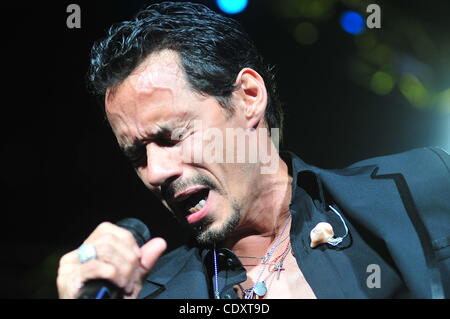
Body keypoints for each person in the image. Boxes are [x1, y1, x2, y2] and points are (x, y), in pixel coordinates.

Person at [56, 1, 450, 299]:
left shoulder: (424, 186)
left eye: (172, 136)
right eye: (137, 157)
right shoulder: (151, 292)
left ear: (248, 97)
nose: (157, 171)